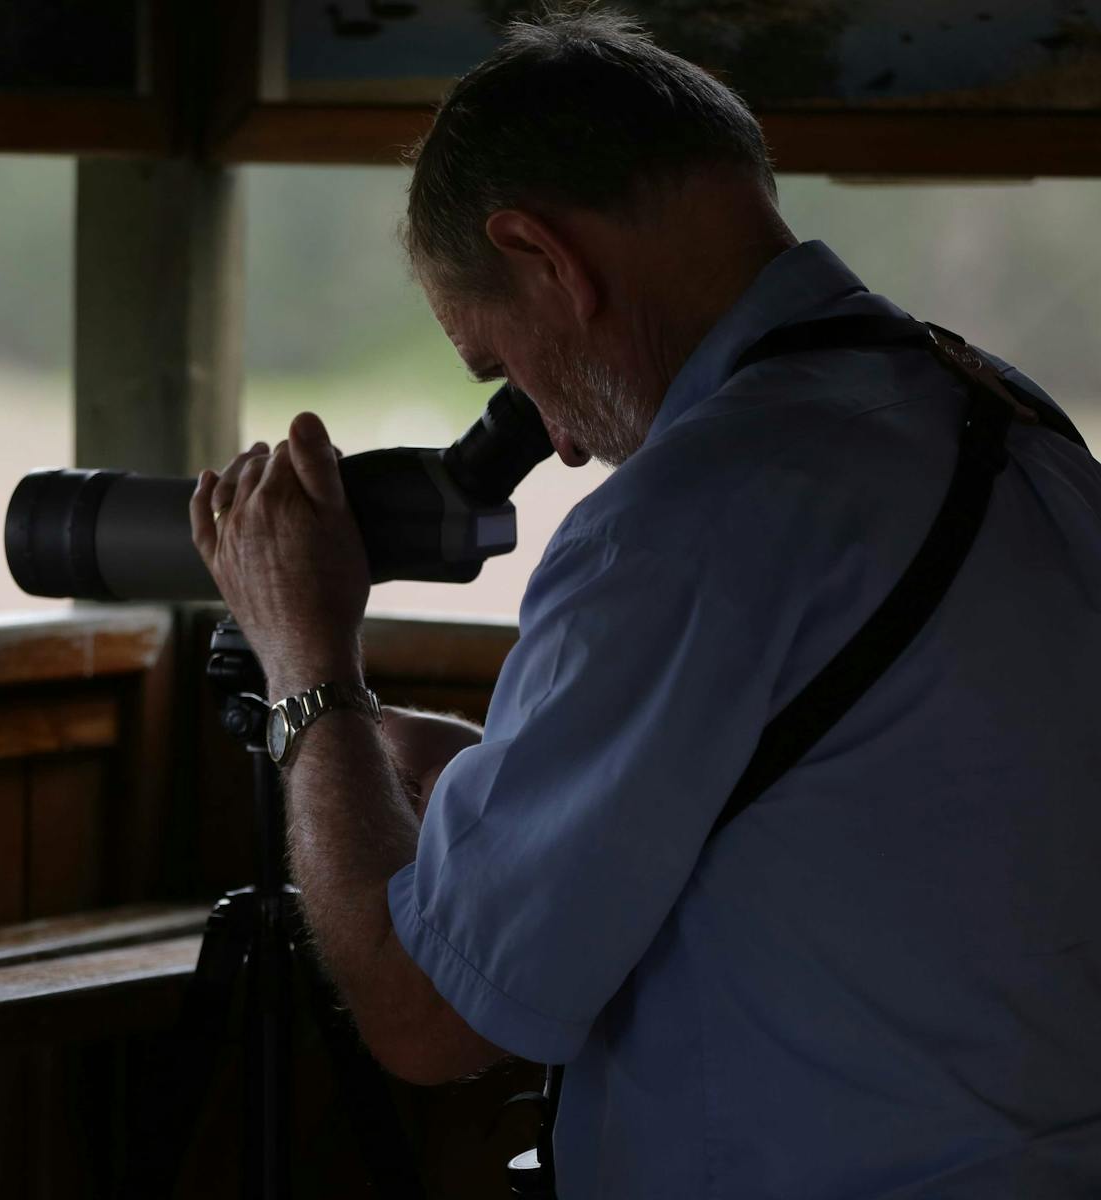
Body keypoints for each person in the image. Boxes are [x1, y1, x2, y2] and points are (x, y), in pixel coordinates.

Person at [189, 8, 1101, 1198]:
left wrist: (306, 658)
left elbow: (426, 1018)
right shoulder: (1005, 418)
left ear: (546, 258)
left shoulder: (676, 522)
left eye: (502, 369)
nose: (558, 442)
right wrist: (487, 776)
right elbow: (874, 823)